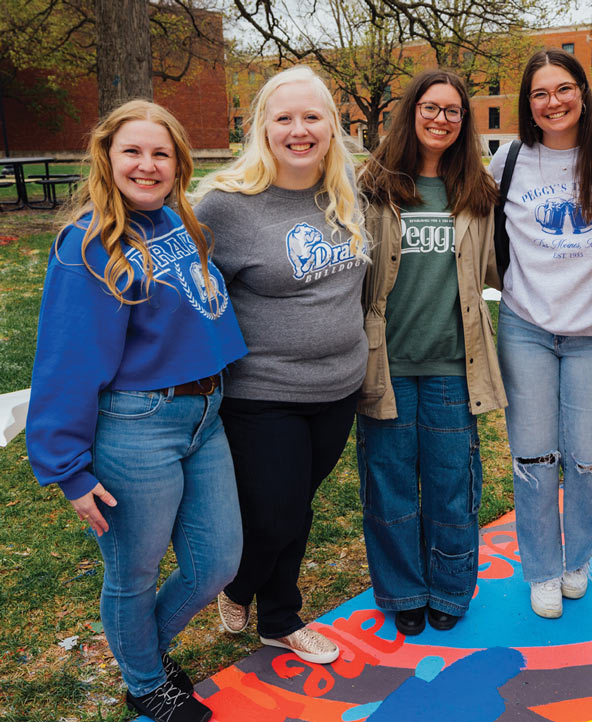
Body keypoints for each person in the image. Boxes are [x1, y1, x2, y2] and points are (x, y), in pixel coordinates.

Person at [25, 100, 246, 722]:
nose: (147, 165)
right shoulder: (90, 244)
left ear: (179, 162)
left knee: (217, 563)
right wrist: (68, 469)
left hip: (206, 415)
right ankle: (146, 681)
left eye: (161, 153)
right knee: (135, 572)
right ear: (107, 158)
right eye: (133, 152)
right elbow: (65, 360)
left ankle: (142, 651)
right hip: (137, 426)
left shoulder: (181, 221)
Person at [193, 65, 367, 664]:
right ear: (261, 127)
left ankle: (276, 619)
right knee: (276, 514)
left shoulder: (348, 192)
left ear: (331, 125)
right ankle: (245, 588)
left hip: (341, 386)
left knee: (296, 506)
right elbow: (179, 286)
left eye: (312, 117)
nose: (299, 130)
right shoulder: (225, 205)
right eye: (284, 118)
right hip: (263, 392)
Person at [354, 70, 504, 635]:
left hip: (452, 367)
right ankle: (401, 591)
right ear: (411, 112)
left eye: (453, 111)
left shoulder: (477, 193)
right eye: (431, 107)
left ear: (464, 122)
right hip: (385, 365)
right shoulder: (374, 186)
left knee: (452, 485)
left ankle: (449, 586)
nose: (441, 118)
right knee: (389, 486)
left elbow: (496, 268)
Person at [488, 48, 592, 619]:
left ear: (583, 92)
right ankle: (543, 569)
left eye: (564, 88)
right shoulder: (510, 159)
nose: (554, 102)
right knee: (534, 456)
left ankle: (580, 558)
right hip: (526, 326)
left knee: (588, 460)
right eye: (540, 93)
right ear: (529, 104)